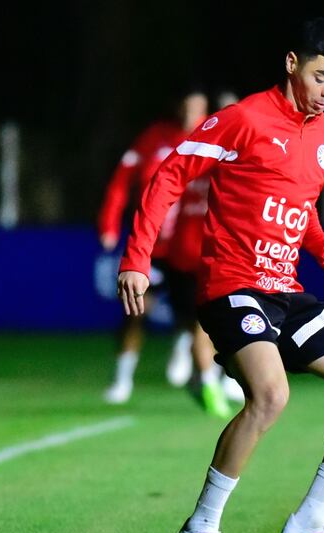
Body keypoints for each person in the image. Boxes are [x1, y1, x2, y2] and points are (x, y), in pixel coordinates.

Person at [117, 17, 324, 533]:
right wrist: (136, 260)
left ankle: (313, 519)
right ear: (292, 63)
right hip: (230, 286)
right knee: (270, 395)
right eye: (321, 76)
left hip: (285, 290)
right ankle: (202, 526)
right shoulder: (244, 119)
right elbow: (170, 175)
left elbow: (301, 209)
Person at [99, 88, 232, 418]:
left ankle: (214, 373)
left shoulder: (217, 140)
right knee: (137, 309)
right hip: (156, 246)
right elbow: (124, 182)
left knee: (207, 318)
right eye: (186, 106)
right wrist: (109, 224)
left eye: (198, 107)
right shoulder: (157, 138)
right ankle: (123, 379)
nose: (191, 114)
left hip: (196, 249)